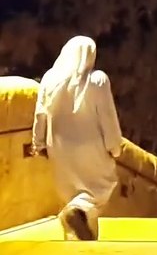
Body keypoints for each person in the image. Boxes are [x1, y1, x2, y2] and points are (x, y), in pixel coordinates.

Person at [31, 36, 124, 241]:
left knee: (72, 195)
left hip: (58, 147)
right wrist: (114, 147)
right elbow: (107, 117)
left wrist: (38, 144)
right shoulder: (97, 80)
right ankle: (75, 213)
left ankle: (82, 241)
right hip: (92, 147)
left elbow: (40, 115)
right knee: (99, 189)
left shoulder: (49, 79)